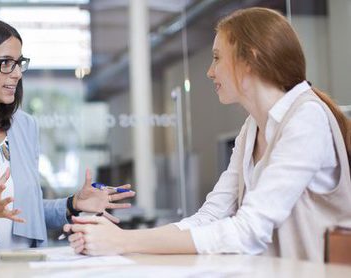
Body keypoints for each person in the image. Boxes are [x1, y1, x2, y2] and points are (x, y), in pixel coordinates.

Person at [63, 7, 351, 262]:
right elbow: (210, 217)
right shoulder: (252, 128)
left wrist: (123, 241)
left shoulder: (306, 118)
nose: (210, 72)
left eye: (217, 58)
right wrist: (114, 238)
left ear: (249, 60)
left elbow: (248, 231)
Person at [0, 18, 135, 252]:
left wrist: (73, 204)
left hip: (28, 268)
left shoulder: (25, 126)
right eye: (5, 63)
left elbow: (28, 211)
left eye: (19, 63)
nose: (16, 74)